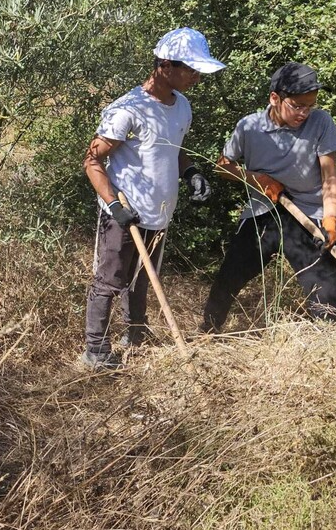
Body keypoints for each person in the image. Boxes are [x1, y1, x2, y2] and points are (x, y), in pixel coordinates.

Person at [80, 27, 226, 369]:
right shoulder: (128, 109)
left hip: (159, 213)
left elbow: (172, 151)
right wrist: (115, 206)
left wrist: (191, 173)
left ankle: (136, 336)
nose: (196, 78)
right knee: (110, 281)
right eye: (191, 70)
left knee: (143, 278)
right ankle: (96, 352)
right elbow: (92, 160)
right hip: (123, 214)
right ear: (165, 65)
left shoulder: (182, 106)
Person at [201, 63, 336, 331]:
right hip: (262, 210)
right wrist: (260, 179)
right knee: (230, 275)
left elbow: (330, 176)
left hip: (308, 216)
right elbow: (223, 166)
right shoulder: (249, 127)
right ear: (275, 98)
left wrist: (331, 218)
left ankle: (329, 343)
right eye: (298, 105)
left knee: (326, 290)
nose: (304, 113)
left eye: (310, 105)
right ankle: (208, 330)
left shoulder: (321, 122)